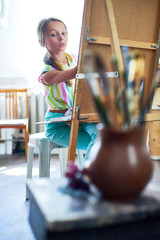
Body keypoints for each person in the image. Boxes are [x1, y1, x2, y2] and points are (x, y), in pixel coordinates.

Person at [37, 17, 98, 161]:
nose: (61, 37)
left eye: (64, 33)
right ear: (42, 41)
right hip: (58, 126)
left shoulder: (75, 58)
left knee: (103, 140)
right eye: (54, 34)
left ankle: (93, 178)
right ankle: (85, 179)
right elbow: (74, 73)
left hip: (80, 118)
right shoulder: (47, 73)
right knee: (98, 144)